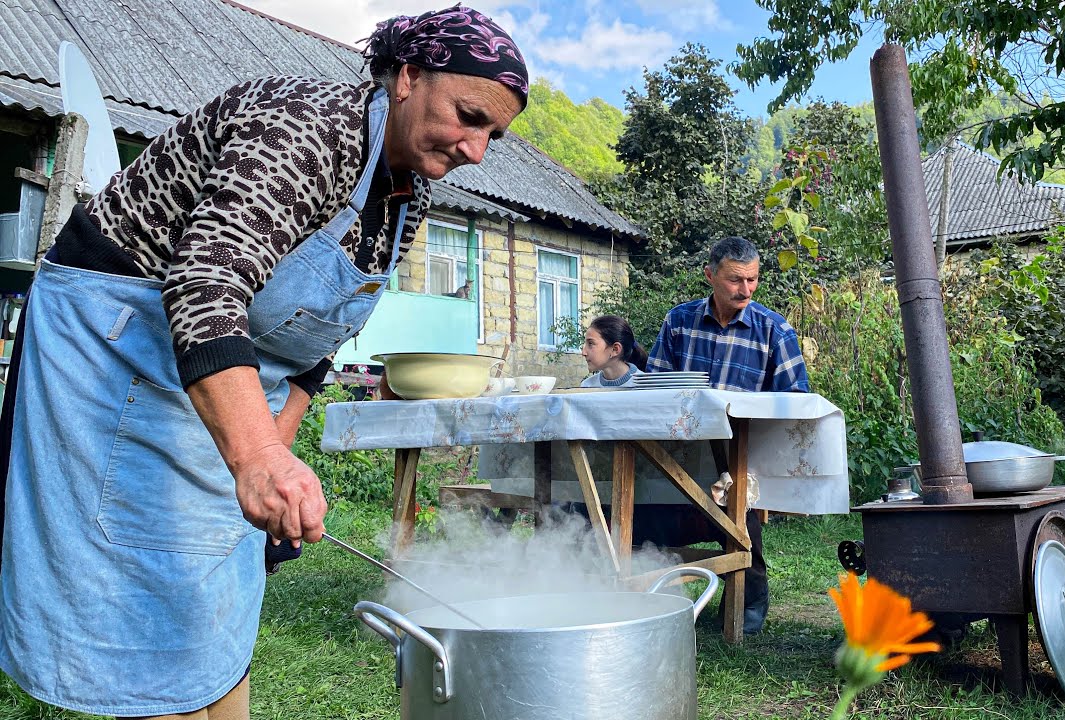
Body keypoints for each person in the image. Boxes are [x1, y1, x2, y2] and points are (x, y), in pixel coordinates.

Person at [0, 6, 526, 717]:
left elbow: (317, 342)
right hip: (118, 341)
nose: (477, 149)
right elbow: (205, 284)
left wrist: (274, 446)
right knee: (160, 582)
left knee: (224, 573)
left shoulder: (408, 197)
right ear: (407, 78)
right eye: (469, 116)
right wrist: (254, 458)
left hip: (219, 363)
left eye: (493, 133)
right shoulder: (302, 125)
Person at [646, 235, 810, 635]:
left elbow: (797, 400)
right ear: (710, 275)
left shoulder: (774, 330)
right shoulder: (679, 321)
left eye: (753, 280)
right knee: (643, 506)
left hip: (744, 452)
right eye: (736, 280)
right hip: (682, 447)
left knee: (740, 508)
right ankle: (655, 594)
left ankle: (749, 600)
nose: (746, 290)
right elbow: (653, 384)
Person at [580, 315, 647, 388]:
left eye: (591, 343)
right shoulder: (587, 387)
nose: (583, 352)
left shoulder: (646, 387)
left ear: (615, 349)